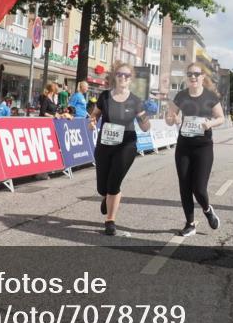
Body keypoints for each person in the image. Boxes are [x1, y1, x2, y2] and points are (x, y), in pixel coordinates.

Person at [88, 61, 151, 236]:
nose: (123, 77)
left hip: (126, 146)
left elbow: (145, 127)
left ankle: (110, 220)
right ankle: (106, 196)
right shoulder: (104, 97)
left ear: (131, 79)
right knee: (102, 188)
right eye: (120, 74)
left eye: (127, 75)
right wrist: (92, 122)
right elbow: (95, 115)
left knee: (114, 183)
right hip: (105, 145)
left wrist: (146, 117)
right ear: (114, 77)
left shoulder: (135, 101)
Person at [166, 65, 224, 236]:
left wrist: (210, 123)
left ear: (202, 76)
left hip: (203, 147)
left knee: (199, 188)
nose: (193, 77)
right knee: (184, 186)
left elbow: (220, 117)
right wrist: (173, 119)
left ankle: (207, 210)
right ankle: (190, 224)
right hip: (184, 146)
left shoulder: (210, 96)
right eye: (190, 74)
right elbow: (169, 118)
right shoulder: (181, 96)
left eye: (196, 74)